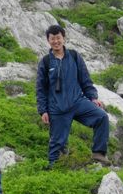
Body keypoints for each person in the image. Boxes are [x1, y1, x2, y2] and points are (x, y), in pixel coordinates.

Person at [36, 24, 110, 167]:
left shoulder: (74, 56)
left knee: (102, 117)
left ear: (63, 38)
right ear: (48, 40)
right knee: (57, 146)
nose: (56, 41)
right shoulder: (45, 62)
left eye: (58, 38)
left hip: (78, 102)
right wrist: (43, 110)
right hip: (57, 108)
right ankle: (55, 169)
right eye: (52, 39)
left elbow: (85, 79)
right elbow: (41, 89)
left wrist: (93, 97)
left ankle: (99, 154)